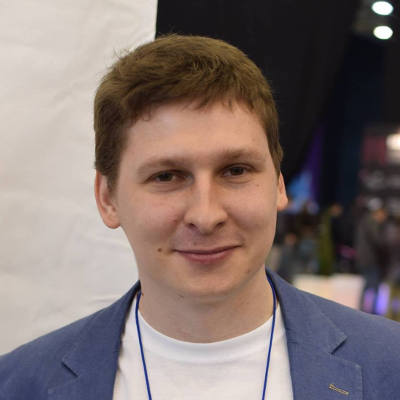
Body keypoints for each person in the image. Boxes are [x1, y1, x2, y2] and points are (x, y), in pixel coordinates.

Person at [1, 34, 400, 400]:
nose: (206, 216)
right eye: (167, 176)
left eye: (236, 170)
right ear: (108, 199)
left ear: (279, 184)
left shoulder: (389, 366)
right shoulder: (19, 384)